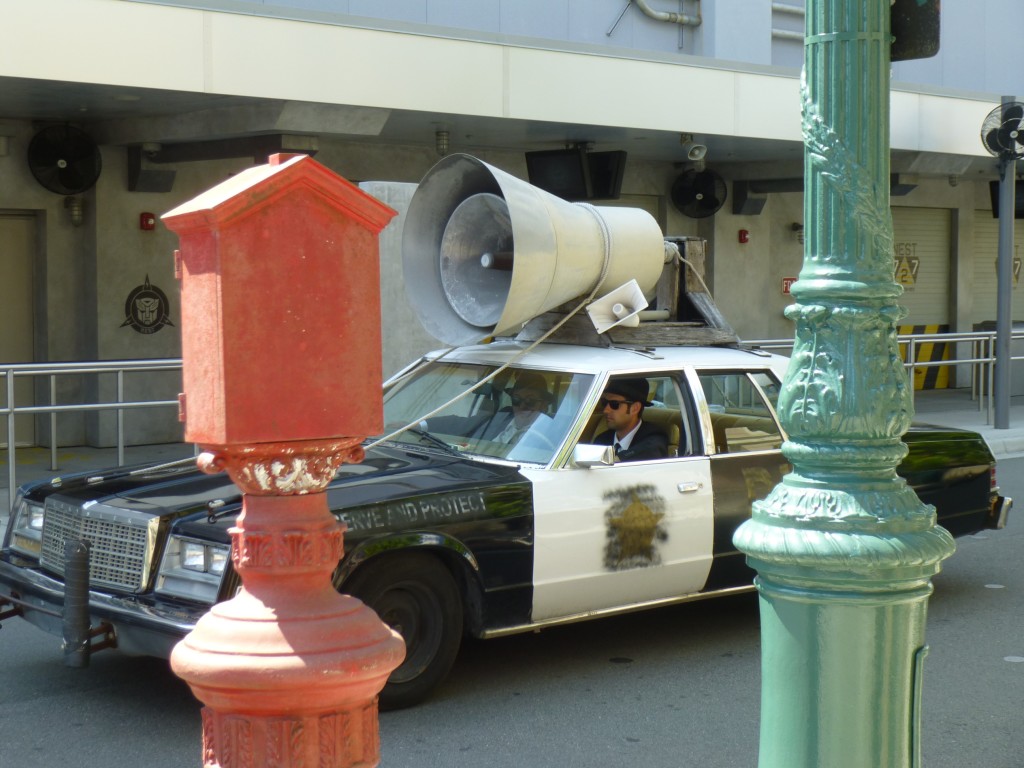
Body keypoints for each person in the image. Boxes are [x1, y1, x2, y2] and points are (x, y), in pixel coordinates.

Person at [593, 377, 668, 461]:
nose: (606, 410)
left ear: (635, 408)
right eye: (604, 402)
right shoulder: (602, 440)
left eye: (614, 404)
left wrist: (618, 459)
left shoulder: (653, 439)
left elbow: (650, 450)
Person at [480, 372, 552, 443]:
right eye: (516, 400)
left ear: (544, 405)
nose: (522, 406)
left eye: (530, 401)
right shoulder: (500, 420)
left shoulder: (550, 433)